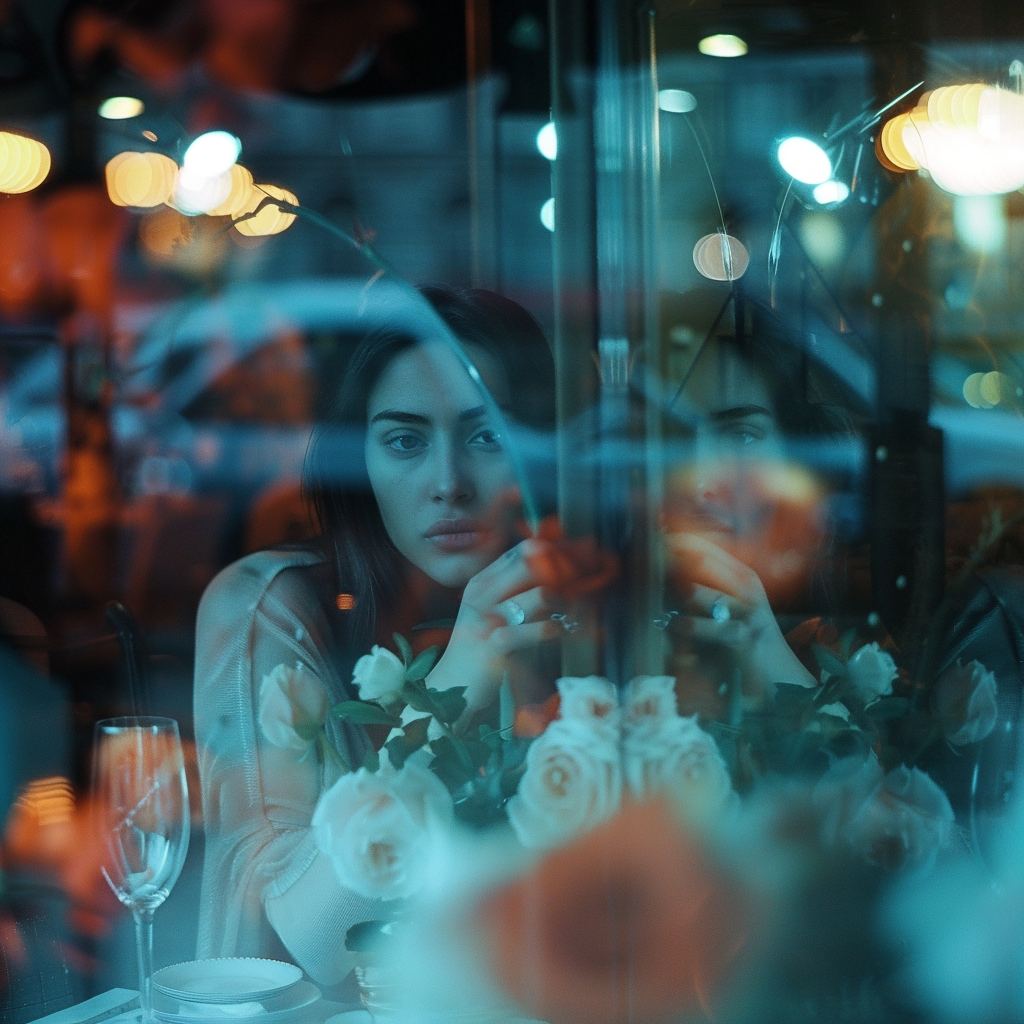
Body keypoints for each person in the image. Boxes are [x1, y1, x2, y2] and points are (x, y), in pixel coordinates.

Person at [193, 285, 562, 987]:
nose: (449, 483)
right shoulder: (272, 605)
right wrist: (457, 678)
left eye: (487, 436)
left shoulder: (577, 609)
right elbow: (294, 945)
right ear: (358, 461)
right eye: (404, 440)